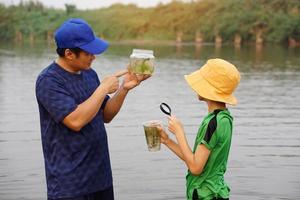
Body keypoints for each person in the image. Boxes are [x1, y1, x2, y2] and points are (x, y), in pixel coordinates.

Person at [35, 18, 150, 200]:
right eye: (89, 53)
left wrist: (124, 89)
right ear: (69, 54)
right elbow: (75, 121)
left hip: (100, 178)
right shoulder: (49, 81)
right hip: (69, 185)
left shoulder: (89, 74)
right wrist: (103, 87)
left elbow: (105, 115)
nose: (93, 57)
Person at [158, 59, 241, 200]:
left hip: (205, 194)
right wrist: (167, 140)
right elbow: (194, 160)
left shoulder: (213, 123)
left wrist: (179, 132)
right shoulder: (224, 118)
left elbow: (196, 168)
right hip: (216, 192)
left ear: (209, 89)